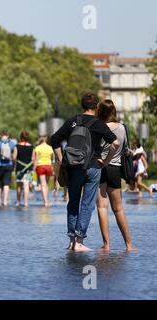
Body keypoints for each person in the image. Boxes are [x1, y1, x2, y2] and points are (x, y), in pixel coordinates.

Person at [51, 92, 120, 252]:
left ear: (82, 106)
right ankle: (80, 240)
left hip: (74, 167)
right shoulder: (98, 123)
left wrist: (62, 159)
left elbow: (54, 140)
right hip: (93, 167)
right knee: (87, 203)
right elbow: (115, 143)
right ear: (96, 107)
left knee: (73, 201)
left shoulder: (73, 121)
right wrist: (107, 161)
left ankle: (71, 241)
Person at [96, 100, 136, 252]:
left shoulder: (98, 127)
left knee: (102, 206)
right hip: (115, 168)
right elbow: (124, 147)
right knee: (118, 208)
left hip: (100, 166)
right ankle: (129, 244)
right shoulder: (122, 128)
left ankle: (106, 245)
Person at [0, 130, 16, 206]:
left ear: (0, 135)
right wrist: (14, 165)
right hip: (9, 165)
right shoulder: (12, 143)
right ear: (8, 135)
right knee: (6, 183)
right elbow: (14, 156)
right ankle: (5, 201)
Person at [13, 130, 35, 208]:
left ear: (21, 137)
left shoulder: (17, 146)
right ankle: (26, 203)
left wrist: (15, 163)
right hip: (28, 168)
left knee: (19, 185)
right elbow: (33, 159)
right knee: (26, 185)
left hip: (20, 168)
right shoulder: (31, 147)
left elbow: (14, 157)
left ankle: (18, 201)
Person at [34, 136, 54, 207]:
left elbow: (36, 159)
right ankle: (47, 201)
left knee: (43, 184)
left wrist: (33, 168)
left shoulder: (37, 148)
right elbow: (52, 159)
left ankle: (45, 202)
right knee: (46, 184)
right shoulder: (50, 148)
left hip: (40, 166)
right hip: (48, 166)